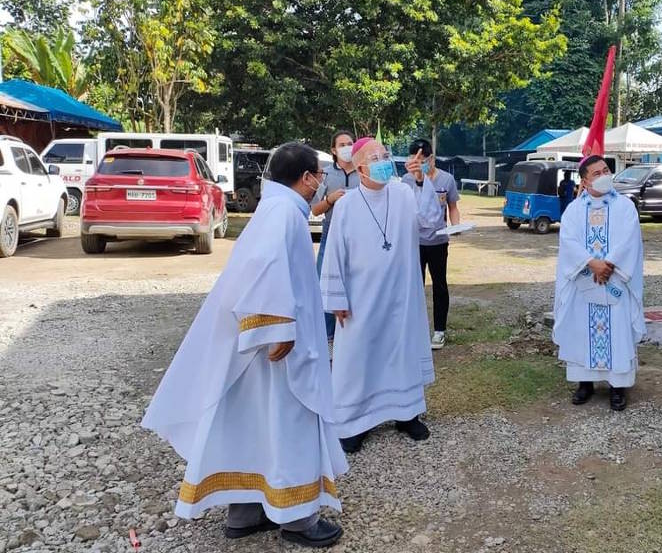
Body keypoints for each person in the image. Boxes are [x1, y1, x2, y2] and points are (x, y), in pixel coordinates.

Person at [142, 143, 347, 549]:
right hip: (277, 347)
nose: (320, 182)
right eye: (318, 175)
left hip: (255, 342)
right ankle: (297, 519)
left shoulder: (274, 208)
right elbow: (265, 268)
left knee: (250, 424)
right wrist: (278, 329)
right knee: (287, 425)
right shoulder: (285, 212)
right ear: (306, 178)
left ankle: (246, 512)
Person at [321, 137, 444, 453]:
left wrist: (420, 181)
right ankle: (354, 422)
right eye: (374, 156)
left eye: (385, 154)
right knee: (358, 357)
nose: (382, 160)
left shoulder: (404, 193)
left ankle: (406, 414)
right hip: (362, 298)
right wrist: (336, 297)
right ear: (360, 166)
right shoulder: (346, 204)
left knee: (400, 352)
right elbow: (334, 252)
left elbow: (430, 223)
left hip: (401, 295)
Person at [552, 155, 646, 411]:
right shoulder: (574, 210)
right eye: (597, 173)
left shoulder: (625, 206)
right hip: (584, 281)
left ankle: (618, 386)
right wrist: (591, 263)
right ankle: (585, 383)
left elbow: (629, 239)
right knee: (581, 329)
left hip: (616, 281)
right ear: (584, 180)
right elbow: (568, 241)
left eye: (606, 170)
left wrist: (609, 264)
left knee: (617, 330)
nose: (604, 175)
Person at [401, 138, 461, 350]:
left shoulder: (446, 179)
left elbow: (452, 206)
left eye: (423, 159)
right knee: (413, 285)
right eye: (414, 158)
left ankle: (439, 331)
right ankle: (413, 329)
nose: (419, 162)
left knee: (439, 285)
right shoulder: (406, 181)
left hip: (438, 241)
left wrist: (456, 226)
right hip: (414, 242)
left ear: (431, 158)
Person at [312, 130, 360, 343]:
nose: (347, 148)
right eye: (342, 145)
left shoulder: (363, 171)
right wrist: (330, 199)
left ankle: (351, 331)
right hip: (330, 232)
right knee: (325, 282)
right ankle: (326, 335)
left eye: (350, 143)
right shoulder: (326, 174)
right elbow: (315, 209)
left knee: (356, 281)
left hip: (359, 236)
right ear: (333, 150)